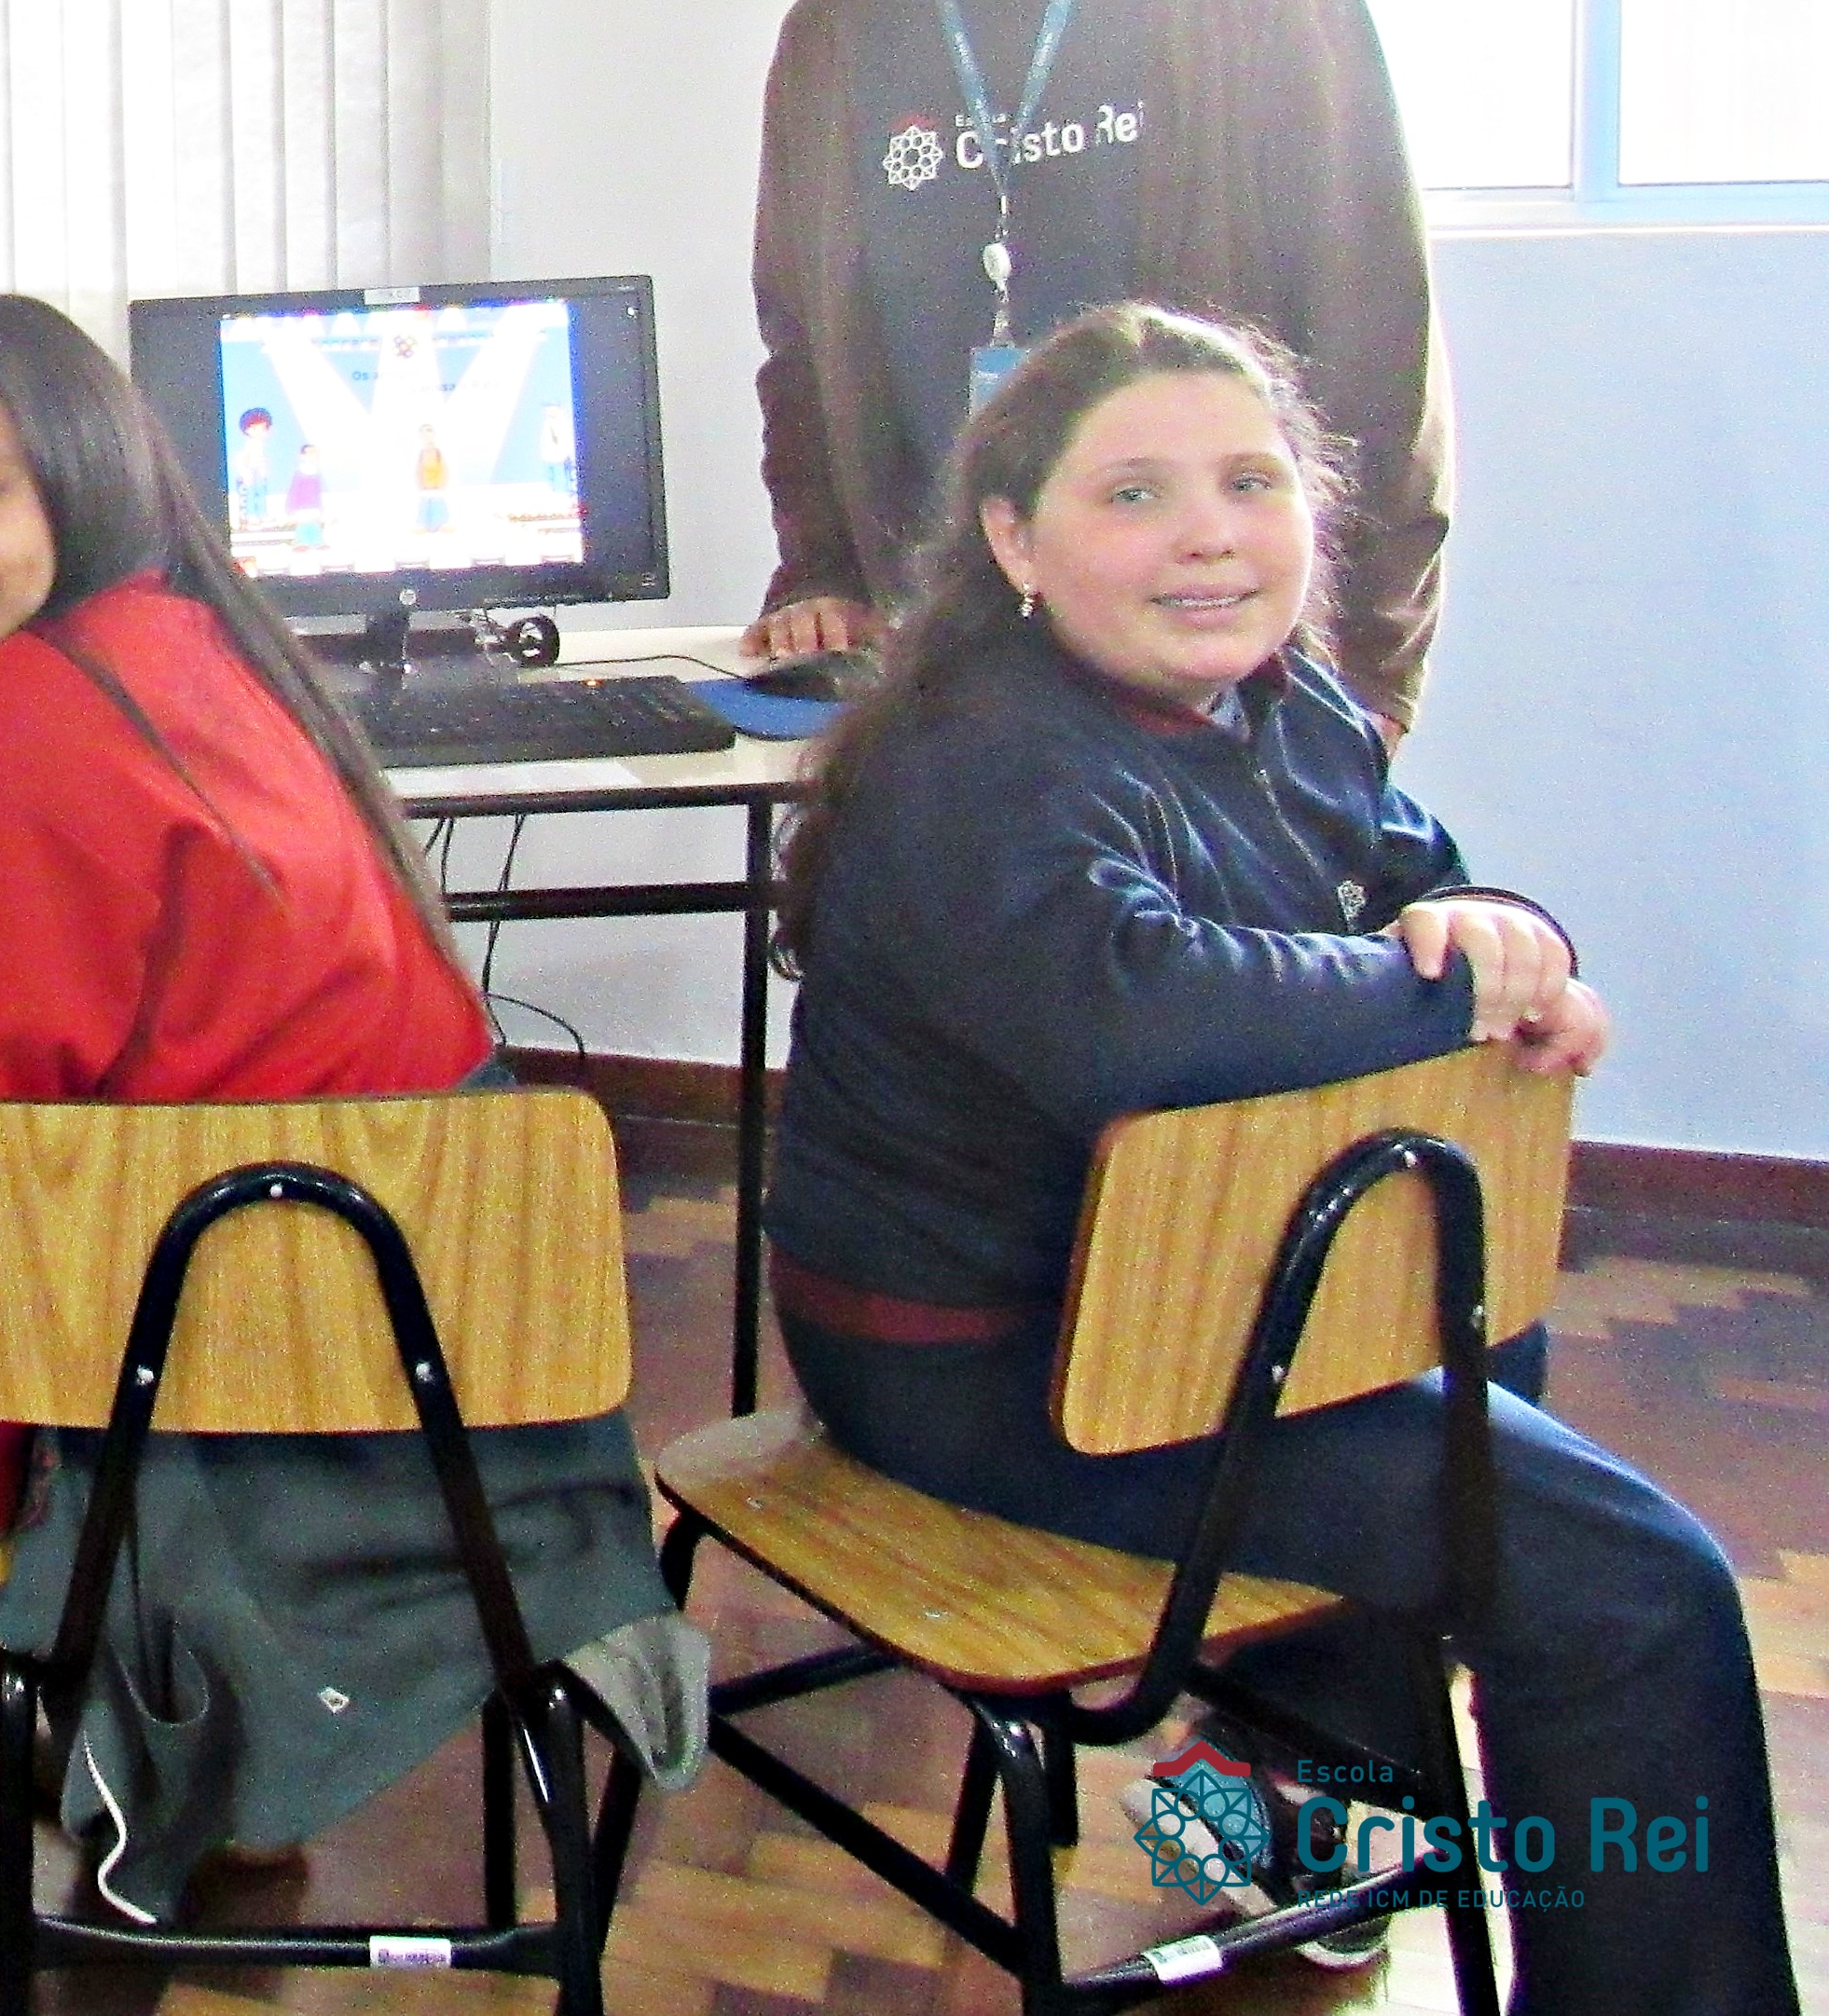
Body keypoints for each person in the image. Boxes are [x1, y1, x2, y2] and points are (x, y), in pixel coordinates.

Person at [766, 302, 1791, 2013]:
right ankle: (1320, 1805)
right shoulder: (972, 760)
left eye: (1248, 483)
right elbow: (1136, 1011)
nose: (1207, 535)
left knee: (1469, 1353)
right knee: (1637, 1591)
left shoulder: (1288, 704)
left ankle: (1293, 1806)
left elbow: (1421, 885)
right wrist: (1449, 990)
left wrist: (1502, 934)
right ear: (1012, 540)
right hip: (983, 1362)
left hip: (1207, 1311)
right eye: (1133, 494)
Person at [0, 294, 702, 1929]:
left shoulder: (21, 715)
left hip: (251, 1394)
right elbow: (105, 820)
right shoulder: (200, 636)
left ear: (78, 478)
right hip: (452, 1373)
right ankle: (190, 1771)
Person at [744, 0, 1451, 746]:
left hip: (1220, 662)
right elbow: (800, 341)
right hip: (949, 653)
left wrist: (1363, 683)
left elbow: (1380, 352)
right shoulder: (833, 33)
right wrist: (819, 569)